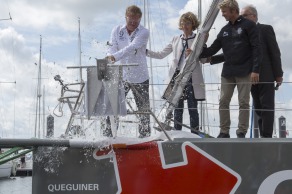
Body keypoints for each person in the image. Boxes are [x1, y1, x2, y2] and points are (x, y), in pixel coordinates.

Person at [200, 0, 260, 138]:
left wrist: (255, 70)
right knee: (223, 101)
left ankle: (241, 132)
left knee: (243, 102)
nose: (222, 14)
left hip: (245, 70)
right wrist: (202, 43)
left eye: (224, 11)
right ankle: (224, 131)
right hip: (228, 72)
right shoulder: (224, 30)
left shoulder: (249, 26)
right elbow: (210, 51)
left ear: (233, 11)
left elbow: (257, 49)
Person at [146, 12, 205, 133]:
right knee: (177, 107)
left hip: (191, 77)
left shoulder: (198, 39)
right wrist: (145, 51)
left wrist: (194, 54)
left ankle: (195, 133)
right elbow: (161, 54)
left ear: (193, 24)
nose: (185, 26)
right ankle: (177, 132)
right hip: (177, 76)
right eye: (183, 23)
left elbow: (204, 59)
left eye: (188, 23)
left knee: (192, 107)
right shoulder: (175, 39)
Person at [106, 5, 150, 138]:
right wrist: (109, 56)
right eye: (130, 20)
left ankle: (145, 137)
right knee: (113, 106)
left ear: (140, 19)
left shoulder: (144, 32)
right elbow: (111, 47)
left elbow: (132, 47)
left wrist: (115, 57)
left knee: (143, 110)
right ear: (126, 17)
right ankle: (109, 135)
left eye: (136, 21)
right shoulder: (117, 30)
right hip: (122, 76)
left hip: (140, 76)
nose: (133, 23)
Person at [240, 5, 283, 137]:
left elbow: (274, 52)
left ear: (253, 16)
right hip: (250, 76)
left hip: (266, 74)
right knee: (258, 106)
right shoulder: (243, 34)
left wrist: (278, 74)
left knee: (267, 106)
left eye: (244, 16)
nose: (241, 19)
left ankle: (267, 136)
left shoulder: (265, 29)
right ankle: (262, 136)